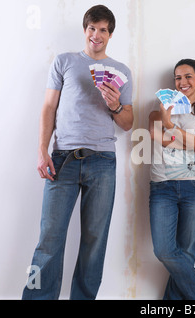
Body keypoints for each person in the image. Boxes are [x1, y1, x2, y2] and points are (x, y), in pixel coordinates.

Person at [22, 5, 133, 300]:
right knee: (49, 239)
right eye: (92, 28)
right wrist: (42, 150)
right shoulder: (64, 61)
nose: (96, 35)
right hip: (62, 159)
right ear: (85, 30)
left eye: (103, 30)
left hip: (103, 162)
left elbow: (128, 123)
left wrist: (115, 106)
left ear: (111, 34)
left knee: (95, 242)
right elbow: (48, 107)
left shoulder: (122, 71)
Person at [148, 59, 195, 299]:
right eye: (178, 78)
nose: (182, 82)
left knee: (187, 254)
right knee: (164, 251)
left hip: (194, 187)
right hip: (162, 187)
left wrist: (169, 125)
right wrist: (193, 142)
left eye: (188, 76)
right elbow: (161, 139)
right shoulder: (155, 109)